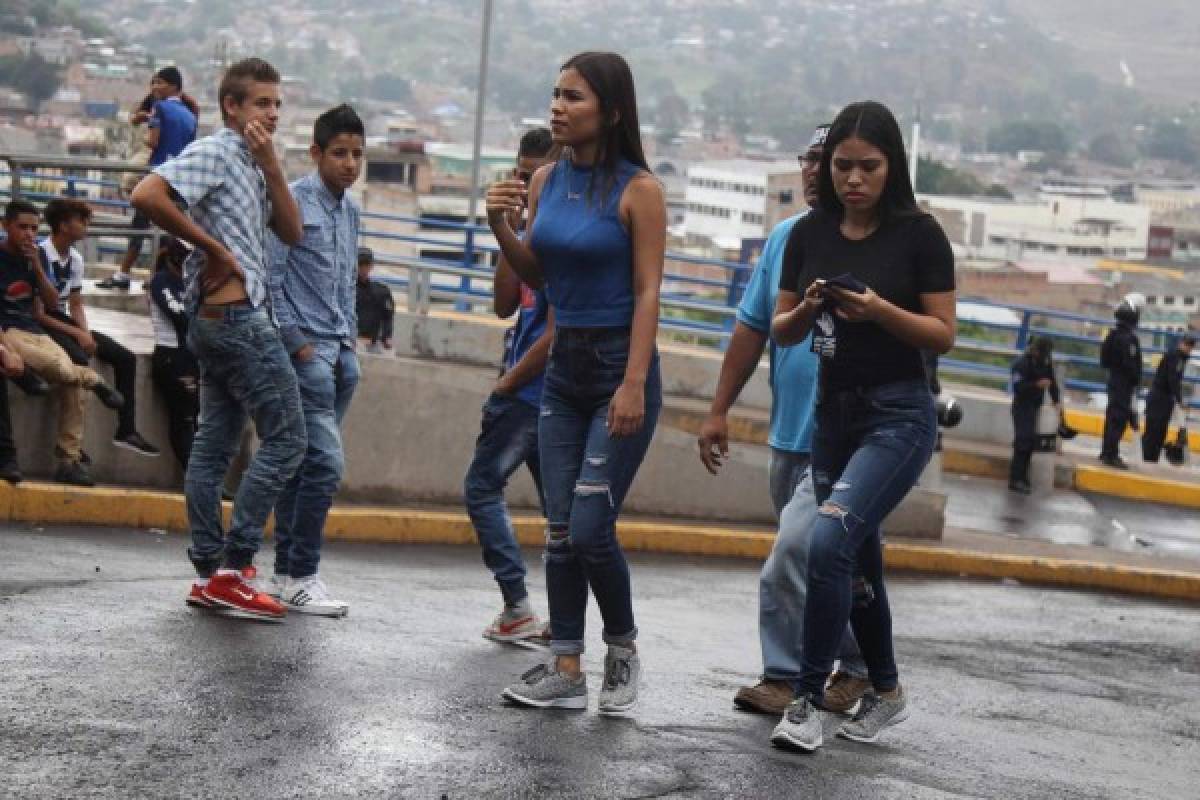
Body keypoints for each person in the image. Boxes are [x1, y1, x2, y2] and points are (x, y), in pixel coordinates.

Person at [768, 101, 956, 751]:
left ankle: (807, 700)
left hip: (898, 415)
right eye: (842, 166)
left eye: (867, 167)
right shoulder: (809, 233)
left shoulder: (920, 235)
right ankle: (888, 691)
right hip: (833, 414)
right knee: (854, 564)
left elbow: (943, 333)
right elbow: (782, 325)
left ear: (891, 166)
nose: (852, 179)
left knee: (827, 542)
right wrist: (813, 302)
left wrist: (879, 310)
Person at [486, 52, 666, 714]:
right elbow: (539, 277)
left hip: (621, 367)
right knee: (560, 529)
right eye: (555, 94)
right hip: (563, 372)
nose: (557, 107)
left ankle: (622, 648)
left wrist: (634, 383)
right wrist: (500, 225)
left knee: (591, 525)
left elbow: (648, 293)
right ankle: (565, 664)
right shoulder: (544, 181)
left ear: (612, 112)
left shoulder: (639, 190)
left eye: (574, 98)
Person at [697, 124, 871, 717]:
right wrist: (719, 409)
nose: (812, 172)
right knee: (828, 562)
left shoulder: (873, 245)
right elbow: (750, 328)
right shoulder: (784, 239)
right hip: (789, 433)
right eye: (810, 159)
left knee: (791, 558)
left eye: (827, 161)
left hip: (848, 438)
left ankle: (784, 675)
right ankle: (864, 664)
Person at [131, 57, 306, 620]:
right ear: (232, 106)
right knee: (288, 440)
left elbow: (293, 231)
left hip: (221, 323)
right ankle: (232, 567)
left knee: (213, 447)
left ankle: (210, 571)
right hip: (235, 321)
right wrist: (212, 249)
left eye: (277, 104)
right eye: (261, 103)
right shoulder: (216, 150)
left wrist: (273, 165)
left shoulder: (254, 163)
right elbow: (148, 195)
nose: (272, 114)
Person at [265, 104, 365, 617]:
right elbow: (272, 278)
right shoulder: (294, 202)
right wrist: (297, 344)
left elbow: (347, 281)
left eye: (357, 155)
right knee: (325, 463)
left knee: (305, 465)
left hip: (341, 354)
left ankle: (285, 575)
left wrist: (350, 345)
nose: (349, 164)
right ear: (317, 153)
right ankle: (303, 573)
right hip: (306, 354)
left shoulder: (351, 211)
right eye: (340, 153)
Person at [465, 126, 556, 643]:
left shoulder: (565, 239)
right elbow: (504, 304)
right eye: (519, 176)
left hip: (531, 394)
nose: (525, 185)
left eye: (534, 176)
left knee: (481, 487)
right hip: (529, 391)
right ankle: (558, 620)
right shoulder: (530, 234)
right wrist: (507, 226)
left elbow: (558, 330)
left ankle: (518, 605)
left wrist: (506, 385)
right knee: (560, 515)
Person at [0, 201, 125, 487]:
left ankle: (68, 460)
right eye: (22, 228)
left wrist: (36, 267)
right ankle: (94, 379)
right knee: (58, 368)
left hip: (33, 329)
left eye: (34, 228)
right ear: (6, 226)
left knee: (70, 381)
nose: (29, 234)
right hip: (8, 331)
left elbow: (52, 302)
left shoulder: (37, 257)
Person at [36, 197, 160, 456]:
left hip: (63, 321)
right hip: (42, 324)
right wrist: (77, 334)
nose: (86, 227)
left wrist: (86, 332)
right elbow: (37, 314)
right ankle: (72, 444)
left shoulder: (75, 260)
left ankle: (126, 430)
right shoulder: (40, 256)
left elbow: (76, 304)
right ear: (63, 225)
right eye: (81, 222)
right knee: (78, 358)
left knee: (125, 358)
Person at [104, 66, 198, 291]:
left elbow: (153, 142)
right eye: (154, 83)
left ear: (174, 86)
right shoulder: (190, 114)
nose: (155, 87)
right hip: (179, 179)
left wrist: (146, 134)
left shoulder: (160, 108)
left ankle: (123, 274)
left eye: (160, 83)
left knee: (139, 225)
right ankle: (155, 277)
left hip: (157, 176)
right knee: (169, 229)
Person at [148, 236, 199, 470]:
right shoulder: (161, 281)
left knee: (199, 421)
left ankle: (205, 477)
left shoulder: (192, 284)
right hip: (171, 358)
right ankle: (198, 477)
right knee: (184, 420)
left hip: (192, 358)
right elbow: (181, 317)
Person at [1008, 336, 1061, 494]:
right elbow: (1018, 388)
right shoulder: (1021, 364)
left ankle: (1023, 476)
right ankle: (1015, 478)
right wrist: (1036, 385)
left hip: (1035, 406)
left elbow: (1052, 383)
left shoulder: (1045, 362)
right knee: (1023, 440)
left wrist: (1056, 401)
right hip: (1022, 405)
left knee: (1030, 442)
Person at [1099, 295, 1143, 470]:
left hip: (1114, 379)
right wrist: (1135, 380)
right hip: (1124, 383)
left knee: (1112, 417)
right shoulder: (1130, 339)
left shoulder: (1111, 334)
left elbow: (1104, 361)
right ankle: (1111, 455)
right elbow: (1131, 365)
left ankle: (1106, 451)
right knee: (1119, 419)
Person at [1142, 333, 1194, 463]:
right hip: (1160, 397)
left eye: (1190, 346)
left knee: (1159, 431)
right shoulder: (1176, 357)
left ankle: (1151, 459)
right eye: (1186, 344)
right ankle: (1148, 459)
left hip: (1164, 398)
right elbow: (1173, 380)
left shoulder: (1179, 357)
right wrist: (1180, 399)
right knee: (1154, 431)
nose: (1187, 347)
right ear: (1181, 343)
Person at [354, 247, 394, 352]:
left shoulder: (381, 291)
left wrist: (387, 337)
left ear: (371, 266)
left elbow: (388, 317)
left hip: (374, 343)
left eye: (366, 265)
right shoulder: (346, 290)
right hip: (351, 342)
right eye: (360, 265)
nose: (363, 268)